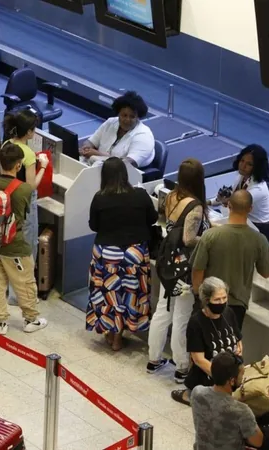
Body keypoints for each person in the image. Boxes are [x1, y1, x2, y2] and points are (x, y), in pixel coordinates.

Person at [147, 159, 210, 382]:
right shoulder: (195, 206)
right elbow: (189, 238)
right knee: (182, 316)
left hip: (167, 261)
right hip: (184, 267)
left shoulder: (172, 196)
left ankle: (153, 358)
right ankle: (182, 366)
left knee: (163, 309)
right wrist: (210, 237)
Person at [86, 157, 156, 350]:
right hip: (134, 254)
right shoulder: (141, 195)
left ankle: (110, 332)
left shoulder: (100, 197)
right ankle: (119, 335)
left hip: (106, 253)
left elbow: (94, 225)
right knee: (130, 295)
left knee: (108, 294)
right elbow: (153, 218)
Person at [0, 143, 47, 336]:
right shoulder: (23, 189)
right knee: (25, 282)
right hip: (15, 245)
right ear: (19, 165)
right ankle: (30, 319)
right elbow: (24, 215)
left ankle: (1, 321)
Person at [191, 189, 269, 329]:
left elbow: (197, 270)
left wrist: (200, 297)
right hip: (237, 305)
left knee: (200, 346)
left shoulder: (210, 236)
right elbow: (265, 272)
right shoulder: (260, 240)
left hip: (209, 300)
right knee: (228, 347)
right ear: (250, 209)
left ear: (229, 205)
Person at [2, 110, 50, 305]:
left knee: (11, 245)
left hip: (9, 199)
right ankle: (21, 295)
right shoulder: (28, 154)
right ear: (29, 132)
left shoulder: (6, 145)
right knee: (27, 248)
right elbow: (31, 186)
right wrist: (44, 166)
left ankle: (11, 289)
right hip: (26, 203)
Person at [171, 277, 243, 407]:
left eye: (224, 298)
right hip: (208, 378)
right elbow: (198, 359)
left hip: (230, 376)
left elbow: (238, 339)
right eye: (217, 299)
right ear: (206, 300)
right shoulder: (196, 322)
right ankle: (189, 395)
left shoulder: (229, 313)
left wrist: (238, 351)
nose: (222, 302)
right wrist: (223, 380)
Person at [190, 351, 263, 450]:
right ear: (232, 381)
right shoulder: (241, 411)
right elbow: (258, 442)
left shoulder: (197, 392)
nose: (243, 379)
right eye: (242, 375)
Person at [80, 91, 155, 168]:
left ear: (138, 117)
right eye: (124, 115)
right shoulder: (110, 122)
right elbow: (90, 142)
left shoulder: (144, 136)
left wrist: (96, 154)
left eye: (132, 116)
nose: (127, 120)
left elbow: (127, 163)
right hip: (96, 166)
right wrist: (86, 148)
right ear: (118, 113)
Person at [213, 145, 269, 241]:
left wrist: (224, 202)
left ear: (257, 167)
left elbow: (235, 206)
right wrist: (209, 202)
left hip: (257, 229)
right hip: (243, 221)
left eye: (249, 164)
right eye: (242, 161)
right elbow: (229, 197)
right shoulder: (241, 177)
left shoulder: (258, 189)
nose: (243, 166)